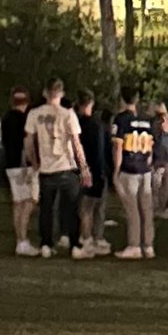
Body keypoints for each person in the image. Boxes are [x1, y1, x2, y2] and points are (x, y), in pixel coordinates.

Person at [24, 79, 85, 256]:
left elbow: (28, 141)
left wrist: (34, 161)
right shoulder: (68, 114)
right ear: (61, 93)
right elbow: (76, 142)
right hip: (65, 165)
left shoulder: (35, 114)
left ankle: (46, 244)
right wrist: (83, 165)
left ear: (45, 93)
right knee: (71, 208)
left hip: (46, 167)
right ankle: (74, 244)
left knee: (46, 209)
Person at [109, 89, 159, 259]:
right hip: (144, 167)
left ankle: (134, 244)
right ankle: (148, 245)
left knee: (132, 210)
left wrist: (116, 170)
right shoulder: (147, 121)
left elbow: (118, 147)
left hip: (129, 168)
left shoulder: (121, 119)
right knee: (146, 208)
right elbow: (151, 147)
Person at [74, 91, 111, 256]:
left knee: (86, 207)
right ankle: (93, 237)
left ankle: (87, 237)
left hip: (83, 169)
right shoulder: (98, 125)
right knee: (94, 208)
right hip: (97, 170)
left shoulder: (78, 124)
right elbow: (102, 150)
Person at [0, 87, 35, 255]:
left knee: (18, 202)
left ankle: (20, 239)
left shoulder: (6, 118)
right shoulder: (25, 119)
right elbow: (26, 144)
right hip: (23, 164)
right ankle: (22, 239)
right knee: (29, 200)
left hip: (10, 163)